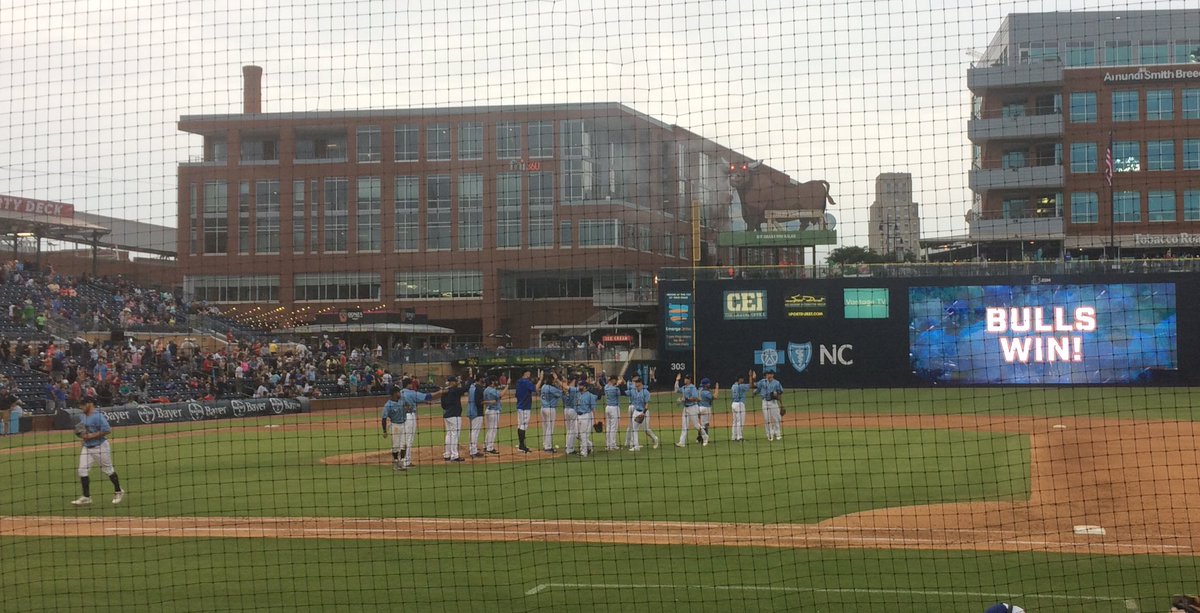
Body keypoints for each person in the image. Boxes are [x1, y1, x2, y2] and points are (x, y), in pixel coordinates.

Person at [71, 399, 125, 506]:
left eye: (83, 405)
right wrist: (83, 437)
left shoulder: (98, 416)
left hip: (100, 447)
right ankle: (86, 497)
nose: (81, 408)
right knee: (82, 470)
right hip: (87, 448)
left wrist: (90, 436)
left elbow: (107, 430)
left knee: (108, 470)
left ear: (89, 404)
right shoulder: (83, 416)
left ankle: (118, 491)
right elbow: (83, 429)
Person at [625, 376, 658, 450]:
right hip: (636, 411)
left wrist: (644, 412)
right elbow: (624, 393)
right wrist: (621, 385)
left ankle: (655, 439)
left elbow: (647, 403)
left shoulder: (646, 392)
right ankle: (636, 446)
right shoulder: (633, 390)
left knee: (646, 430)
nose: (635, 384)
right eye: (634, 382)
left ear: (640, 383)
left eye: (636, 382)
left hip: (644, 413)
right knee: (634, 429)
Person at [381, 387, 410, 471]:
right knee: (395, 445)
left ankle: (402, 462)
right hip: (395, 426)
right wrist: (385, 431)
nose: (400, 394)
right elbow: (384, 418)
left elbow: (409, 406)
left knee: (404, 444)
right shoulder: (388, 405)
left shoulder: (402, 400)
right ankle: (396, 463)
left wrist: (408, 408)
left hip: (404, 424)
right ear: (394, 393)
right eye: (398, 392)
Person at [674, 374, 707, 447]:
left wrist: (685, 399)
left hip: (693, 407)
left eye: (687, 379)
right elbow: (676, 390)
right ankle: (682, 442)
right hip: (686, 408)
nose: (685, 380)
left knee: (696, 425)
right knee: (684, 426)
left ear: (689, 380)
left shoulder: (692, 387)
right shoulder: (683, 387)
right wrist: (677, 380)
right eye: (685, 378)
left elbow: (695, 397)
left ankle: (705, 437)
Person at [440, 375, 467, 462]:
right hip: (455, 415)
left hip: (447, 415)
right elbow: (465, 388)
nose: (456, 383)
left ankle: (447, 454)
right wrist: (470, 377)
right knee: (455, 435)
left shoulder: (444, 392)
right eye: (455, 381)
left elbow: (443, 406)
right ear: (452, 382)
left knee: (449, 434)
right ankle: (454, 456)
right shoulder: (455, 390)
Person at [753, 370, 784, 441]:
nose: (768, 375)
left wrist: (777, 395)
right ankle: (770, 435)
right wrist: (753, 378)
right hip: (765, 402)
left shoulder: (777, 383)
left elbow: (780, 392)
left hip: (773, 402)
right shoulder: (762, 382)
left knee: (777, 418)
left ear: (773, 375)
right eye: (768, 374)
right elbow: (754, 385)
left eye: (770, 374)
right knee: (767, 419)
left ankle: (778, 433)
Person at [538, 371, 563, 453]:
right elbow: (561, 393)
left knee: (545, 427)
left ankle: (545, 444)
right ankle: (548, 447)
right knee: (550, 428)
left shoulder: (544, 386)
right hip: (550, 409)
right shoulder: (552, 388)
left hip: (543, 409)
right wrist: (557, 381)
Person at [514, 370, 536, 453]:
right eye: (528, 373)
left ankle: (521, 445)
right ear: (525, 373)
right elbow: (535, 389)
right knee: (523, 426)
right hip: (525, 407)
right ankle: (522, 446)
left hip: (519, 406)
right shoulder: (526, 382)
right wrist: (540, 379)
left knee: (520, 425)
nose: (530, 374)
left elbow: (516, 394)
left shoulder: (518, 382)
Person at [573, 381, 597, 457]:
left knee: (583, 434)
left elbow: (593, 408)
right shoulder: (577, 394)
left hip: (586, 416)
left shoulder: (590, 396)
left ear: (585, 387)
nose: (579, 387)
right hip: (578, 415)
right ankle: (589, 445)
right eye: (579, 385)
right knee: (577, 434)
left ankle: (584, 452)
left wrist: (595, 420)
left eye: (581, 385)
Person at [483, 378, 507, 454]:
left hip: (488, 410)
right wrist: (507, 386)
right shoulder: (492, 390)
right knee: (493, 430)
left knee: (489, 429)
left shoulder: (486, 390)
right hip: (494, 411)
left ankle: (486, 445)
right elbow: (501, 395)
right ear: (492, 382)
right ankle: (490, 448)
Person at [602, 374, 624, 451]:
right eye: (616, 380)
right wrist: (618, 385)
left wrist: (616, 384)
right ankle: (612, 445)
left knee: (608, 427)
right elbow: (619, 394)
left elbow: (610, 385)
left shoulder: (606, 387)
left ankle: (608, 445)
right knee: (613, 428)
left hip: (607, 408)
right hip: (614, 408)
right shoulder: (615, 389)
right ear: (613, 380)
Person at [728, 372, 752, 441]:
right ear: (740, 379)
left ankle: (734, 437)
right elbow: (750, 385)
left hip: (733, 404)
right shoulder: (741, 386)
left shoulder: (733, 386)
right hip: (740, 405)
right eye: (742, 379)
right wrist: (750, 376)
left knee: (734, 422)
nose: (743, 380)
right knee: (740, 421)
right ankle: (740, 437)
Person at [467, 375, 486, 458]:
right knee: (475, 432)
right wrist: (488, 402)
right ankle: (473, 451)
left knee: (472, 431)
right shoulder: (479, 389)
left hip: (470, 411)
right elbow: (479, 402)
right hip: (477, 412)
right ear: (480, 379)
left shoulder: (472, 387)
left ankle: (472, 449)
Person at [562, 376, 580, 454]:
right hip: (572, 410)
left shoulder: (563, 392)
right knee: (572, 430)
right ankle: (570, 448)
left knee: (569, 430)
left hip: (566, 410)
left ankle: (567, 446)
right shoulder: (574, 390)